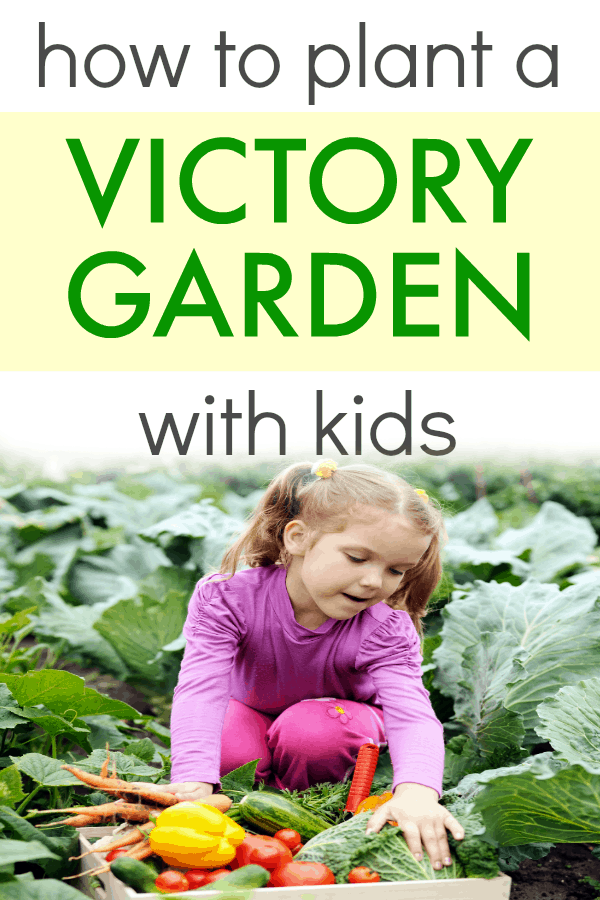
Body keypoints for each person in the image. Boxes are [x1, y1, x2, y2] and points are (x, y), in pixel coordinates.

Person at [134, 460, 464, 870]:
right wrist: (192, 780)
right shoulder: (228, 598)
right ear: (298, 537)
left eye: (396, 570)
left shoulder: (384, 627)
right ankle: (249, 814)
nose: (373, 581)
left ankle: (307, 816)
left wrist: (417, 793)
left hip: (338, 723)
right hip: (251, 710)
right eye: (357, 557)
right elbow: (202, 690)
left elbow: (412, 715)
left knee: (310, 733)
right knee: (227, 749)